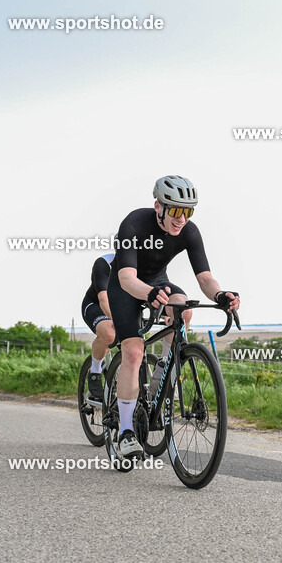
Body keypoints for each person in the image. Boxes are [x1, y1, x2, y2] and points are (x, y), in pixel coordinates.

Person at [107, 175, 239, 457]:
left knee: (183, 307)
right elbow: (127, 278)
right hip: (126, 286)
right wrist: (148, 295)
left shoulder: (189, 231)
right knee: (133, 351)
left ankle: (163, 373)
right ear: (159, 206)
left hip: (157, 281)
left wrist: (219, 295)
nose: (182, 219)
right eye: (177, 211)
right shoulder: (133, 224)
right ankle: (127, 431)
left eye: (188, 212)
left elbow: (204, 278)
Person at [80, 252, 115, 403]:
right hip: (96, 305)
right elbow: (103, 299)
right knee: (109, 335)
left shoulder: (143, 265)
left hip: (122, 307)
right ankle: (94, 372)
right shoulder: (104, 263)